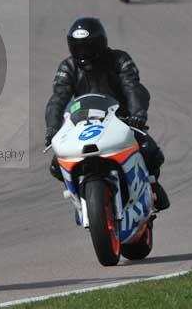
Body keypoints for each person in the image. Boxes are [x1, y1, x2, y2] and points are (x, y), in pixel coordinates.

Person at [44, 17, 170, 211]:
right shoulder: (68, 67)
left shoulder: (119, 60)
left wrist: (137, 114)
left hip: (121, 120)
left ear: (101, 43)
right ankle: (80, 198)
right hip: (83, 124)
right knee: (55, 164)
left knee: (149, 150)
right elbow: (58, 98)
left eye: (88, 46)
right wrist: (52, 128)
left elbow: (132, 87)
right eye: (78, 47)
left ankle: (152, 185)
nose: (83, 52)